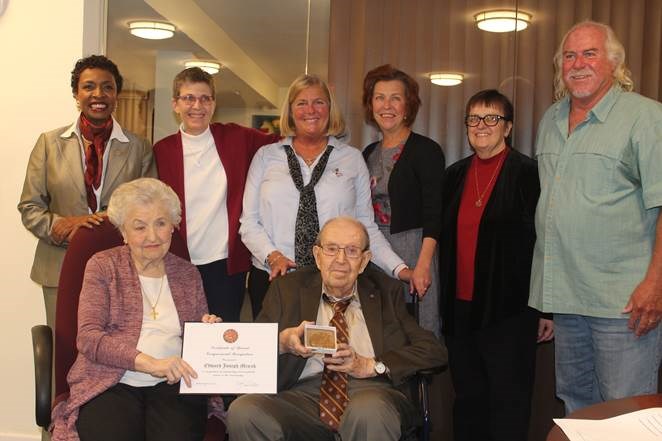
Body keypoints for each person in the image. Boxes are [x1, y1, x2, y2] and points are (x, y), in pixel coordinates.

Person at [529, 20, 662, 414]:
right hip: (567, 299)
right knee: (577, 409)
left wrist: (655, 284)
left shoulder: (646, 118)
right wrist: (549, 301)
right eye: (569, 55)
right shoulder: (550, 120)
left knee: (625, 413)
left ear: (614, 62)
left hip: (623, 304)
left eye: (590, 53)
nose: (578, 63)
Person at [228, 216, 446, 441]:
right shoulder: (287, 289)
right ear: (317, 255)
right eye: (331, 249)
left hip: (370, 392)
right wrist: (281, 343)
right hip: (300, 397)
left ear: (364, 261)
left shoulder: (386, 291)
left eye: (352, 251)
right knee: (244, 411)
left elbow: (433, 350)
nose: (340, 260)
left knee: (368, 411)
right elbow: (251, 352)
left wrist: (372, 365)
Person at [50, 178, 219, 441]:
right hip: (109, 382)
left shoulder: (188, 273)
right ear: (124, 233)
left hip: (174, 385)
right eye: (139, 227)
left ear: (173, 227)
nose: (152, 236)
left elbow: (197, 338)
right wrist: (150, 363)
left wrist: (209, 332)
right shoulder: (103, 266)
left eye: (161, 223)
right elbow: (89, 337)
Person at [240, 74, 411, 319]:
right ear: (290, 111)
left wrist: (400, 269)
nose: (311, 110)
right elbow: (249, 222)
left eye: (319, 102)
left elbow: (365, 226)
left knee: (330, 353)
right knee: (278, 354)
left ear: (330, 109)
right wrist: (273, 256)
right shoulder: (266, 157)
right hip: (273, 277)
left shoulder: (351, 159)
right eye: (301, 103)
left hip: (336, 280)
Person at [438, 89, 553, 441]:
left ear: (508, 127)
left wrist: (546, 308)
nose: (482, 125)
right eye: (474, 118)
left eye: (492, 118)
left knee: (508, 401)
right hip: (461, 311)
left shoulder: (528, 174)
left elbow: (546, 243)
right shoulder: (454, 175)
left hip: (510, 311)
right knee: (469, 400)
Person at [18, 55, 155, 329]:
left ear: (116, 95)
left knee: (113, 352)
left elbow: (148, 209)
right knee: (64, 349)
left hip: (119, 268)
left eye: (107, 87)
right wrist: (65, 226)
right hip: (59, 266)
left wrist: (101, 223)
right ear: (76, 94)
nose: (98, 94)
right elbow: (30, 207)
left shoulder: (139, 147)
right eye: (89, 86)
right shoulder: (49, 143)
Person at [153, 67, 278, 322]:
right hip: (178, 261)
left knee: (223, 340)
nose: (197, 105)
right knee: (182, 335)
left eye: (205, 98)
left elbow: (284, 143)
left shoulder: (236, 137)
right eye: (188, 98)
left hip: (225, 264)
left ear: (213, 103)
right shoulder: (161, 151)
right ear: (175, 104)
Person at [362, 64, 445, 337]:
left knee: (415, 335)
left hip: (414, 251)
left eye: (395, 98)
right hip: (375, 253)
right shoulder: (368, 153)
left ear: (408, 106)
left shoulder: (426, 150)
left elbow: (435, 213)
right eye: (379, 97)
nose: (387, 105)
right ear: (371, 105)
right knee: (379, 333)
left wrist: (422, 265)